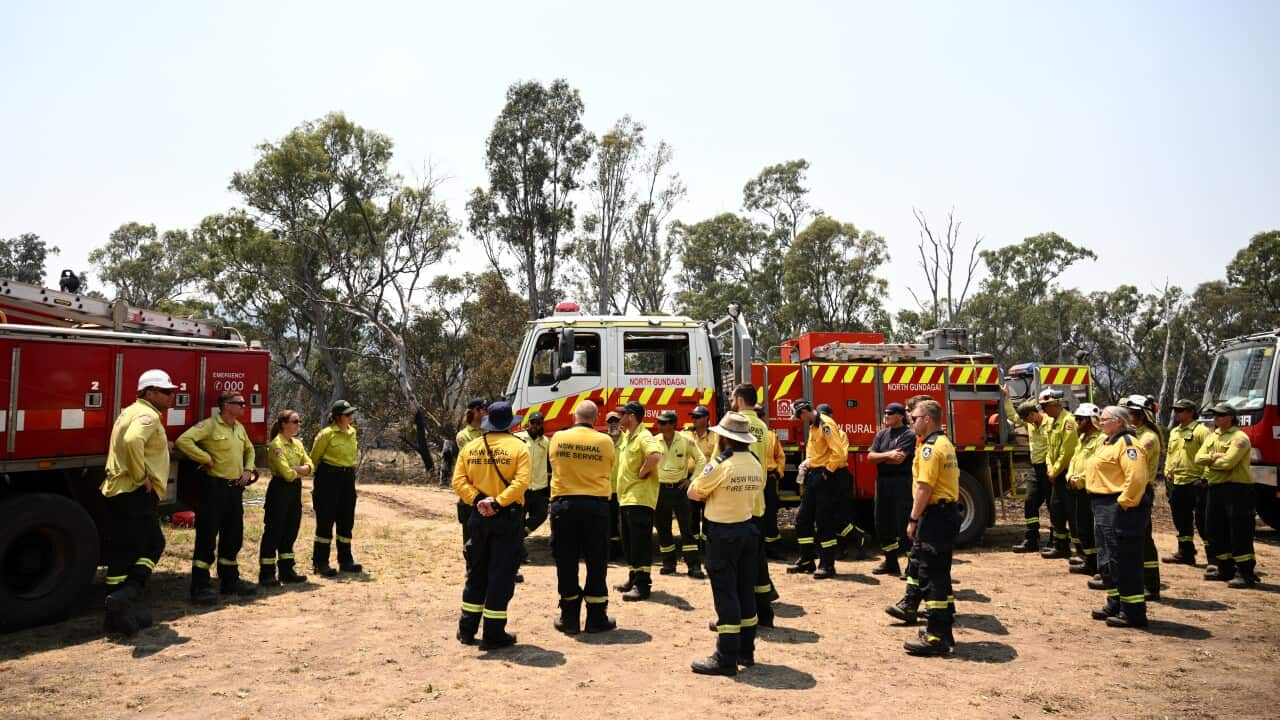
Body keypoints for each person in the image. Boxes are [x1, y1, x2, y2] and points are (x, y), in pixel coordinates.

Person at [687, 412, 766, 676]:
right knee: (745, 592)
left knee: (726, 595)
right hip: (747, 530)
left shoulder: (722, 463)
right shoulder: (754, 462)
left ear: (724, 438)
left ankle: (726, 658)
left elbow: (693, 492)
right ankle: (746, 651)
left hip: (723, 534)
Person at [100, 369, 176, 635]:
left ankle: (115, 615)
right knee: (154, 544)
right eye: (166, 392)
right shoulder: (148, 415)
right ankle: (126, 596)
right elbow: (133, 440)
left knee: (123, 552)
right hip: (135, 492)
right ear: (150, 393)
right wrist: (142, 476)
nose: (171, 396)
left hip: (119, 491)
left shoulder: (128, 411)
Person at [452, 401, 531, 650]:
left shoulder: (471, 447)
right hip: (507, 517)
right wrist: (497, 503)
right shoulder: (519, 448)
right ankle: (493, 634)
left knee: (477, 572)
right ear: (510, 424)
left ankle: (467, 629)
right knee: (501, 575)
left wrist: (478, 500)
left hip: (478, 517)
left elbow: (458, 481)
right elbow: (521, 483)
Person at [177, 390, 258, 604]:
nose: (243, 406)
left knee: (233, 535)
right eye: (239, 403)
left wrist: (248, 469)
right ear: (226, 405)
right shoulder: (209, 425)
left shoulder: (239, 427)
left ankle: (230, 581)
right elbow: (184, 441)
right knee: (207, 535)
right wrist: (205, 458)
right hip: (214, 489)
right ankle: (200, 587)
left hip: (234, 490)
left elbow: (250, 450)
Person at [897, 398, 961, 656]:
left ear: (927, 419)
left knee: (930, 574)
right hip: (945, 514)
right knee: (939, 573)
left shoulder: (930, 448)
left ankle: (935, 637)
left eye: (914, 418)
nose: (911, 422)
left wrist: (913, 519)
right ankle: (944, 631)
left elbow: (925, 487)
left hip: (935, 516)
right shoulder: (944, 443)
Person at [549, 400, 618, 634]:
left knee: (566, 561)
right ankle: (596, 618)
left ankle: (569, 619)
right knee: (597, 561)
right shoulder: (605, 441)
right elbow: (609, 467)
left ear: (573, 417)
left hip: (564, 506)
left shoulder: (558, 438)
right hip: (595, 507)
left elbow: (554, 465)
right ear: (596, 419)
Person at [1086, 406, 1150, 628]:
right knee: (1107, 559)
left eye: (1104, 419)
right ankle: (1115, 603)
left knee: (1124, 559)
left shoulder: (1128, 444)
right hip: (1101, 505)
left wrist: (1123, 504)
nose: (1100, 422)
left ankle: (1133, 612)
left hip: (1119, 506)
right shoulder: (1107, 443)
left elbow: (1137, 478)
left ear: (1119, 422)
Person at [1196, 402, 1258, 588]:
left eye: (1221, 415)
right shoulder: (1212, 436)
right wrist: (1213, 458)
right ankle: (1225, 568)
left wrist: (1211, 461)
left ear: (1231, 417)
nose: (1216, 418)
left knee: (1239, 532)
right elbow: (1198, 458)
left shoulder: (1240, 438)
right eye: (1215, 415)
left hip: (1237, 490)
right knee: (1215, 529)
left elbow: (1228, 463)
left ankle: (1245, 573)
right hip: (1216, 488)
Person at [787, 399, 848, 578]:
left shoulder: (825, 425)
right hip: (814, 475)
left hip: (824, 477)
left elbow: (839, 453)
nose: (799, 420)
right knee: (802, 519)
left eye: (799, 416)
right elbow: (818, 452)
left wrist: (827, 472)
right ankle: (806, 560)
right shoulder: (814, 426)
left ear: (804, 412)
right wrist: (808, 463)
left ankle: (827, 565)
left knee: (824, 522)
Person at [734, 387, 780, 623]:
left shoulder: (735, 424)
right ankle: (765, 610)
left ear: (740, 400)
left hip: (738, 503)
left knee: (739, 564)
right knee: (758, 559)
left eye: (733, 397)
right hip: (757, 500)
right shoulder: (762, 427)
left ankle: (743, 613)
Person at [613, 401, 663, 601]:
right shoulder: (628, 437)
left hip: (639, 499)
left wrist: (643, 471)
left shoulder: (644, 436)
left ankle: (642, 585)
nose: (620, 417)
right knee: (629, 543)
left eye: (623, 414)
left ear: (632, 416)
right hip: (627, 498)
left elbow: (655, 456)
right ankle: (633, 577)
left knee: (640, 543)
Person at [259, 409, 313, 587]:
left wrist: (297, 469)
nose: (299, 425)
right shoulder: (276, 445)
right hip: (279, 489)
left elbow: (310, 465)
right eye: (295, 421)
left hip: (294, 490)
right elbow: (286, 473)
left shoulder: (297, 444)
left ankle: (287, 570)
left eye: (299, 421)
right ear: (284, 424)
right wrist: (299, 470)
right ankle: (267, 573)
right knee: (274, 531)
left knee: (291, 530)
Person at [311, 400, 363, 577]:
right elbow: (314, 458)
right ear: (338, 417)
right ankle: (321, 562)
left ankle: (346, 560)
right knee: (326, 520)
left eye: (351, 414)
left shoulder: (352, 432)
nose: (351, 417)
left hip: (347, 477)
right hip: (329, 477)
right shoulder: (326, 434)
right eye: (347, 414)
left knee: (346, 519)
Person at [653, 409, 706, 578]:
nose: (659, 425)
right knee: (663, 529)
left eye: (663, 423)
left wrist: (692, 480)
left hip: (679, 490)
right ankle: (668, 564)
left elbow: (701, 460)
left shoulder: (685, 440)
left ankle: (694, 565)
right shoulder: (654, 441)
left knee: (687, 529)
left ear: (672, 424)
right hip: (660, 490)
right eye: (659, 422)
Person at [867, 402, 915, 576]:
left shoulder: (909, 434)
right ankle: (890, 561)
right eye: (885, 412)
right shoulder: (882, 434)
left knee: (903, 523)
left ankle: (912, 565)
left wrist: (881, 457)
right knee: (882, 523)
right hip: (882, 482)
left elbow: (899, 459)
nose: (886, 416)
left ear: (900, 416)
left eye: (890, 413)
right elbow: (870, 457)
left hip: (901, 482)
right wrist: (888, 454)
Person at [1121, 395, 1163, 599]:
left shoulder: (1148, 438)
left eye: (1131, 414)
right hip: (1131, 488)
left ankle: (1151, 585)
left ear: (1141, 415)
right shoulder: (1135, 434)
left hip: (1141, 490)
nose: (1128, 416)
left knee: (1143, 540)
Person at [1162, 399, 1210, 565]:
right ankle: (1185, 552)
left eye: (1180, 410)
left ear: (1191, 412)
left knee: (1203, 521)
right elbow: (1170, 454)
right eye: (1175, 410)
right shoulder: (1174, 432)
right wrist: (1167, 471)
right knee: (1181, 520)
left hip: (1196, 483)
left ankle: (1214, 558)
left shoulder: (1201, 431)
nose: (1176, 413)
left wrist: (1205, 478)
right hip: (1176, 482)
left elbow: (1209, 455)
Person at [1007, 388, 1052, 553]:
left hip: (1050, 469)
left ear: (1033, 413)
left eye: (1028, 419)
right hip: (1036, 468)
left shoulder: (1051, 423)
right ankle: (1031, 539)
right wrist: (1006, 398)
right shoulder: (1029, 423)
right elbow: (1013, 417)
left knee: (1053, 506)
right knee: (1030, 501)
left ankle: (1056, 540)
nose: (1027, 423)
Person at [1065, 403, 1103, 576]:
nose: (1077, 422)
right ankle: (1090, 561)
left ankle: (1098, 564)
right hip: (1078, 488)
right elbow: (1074, 460)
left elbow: (1097, 466)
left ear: (1091, 420)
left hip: (1091, 489)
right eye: (1076, 418)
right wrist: (1070, 476)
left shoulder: (1101, 440)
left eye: (1080, 419)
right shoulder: (1082, 439)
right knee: (1083, 527)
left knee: (1093, 528)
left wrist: (1079, 480)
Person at [1040, 391, 1079, 560]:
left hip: (1067, 473)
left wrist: (1054, 471)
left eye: (1045, 406)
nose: (1043, 410)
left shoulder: (1069, 422)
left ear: (1054, 404)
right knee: (1056, 510)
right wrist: (1050, 468)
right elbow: (1049, 449)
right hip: (1055, 474)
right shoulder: (1050, 422)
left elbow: (1067, 451)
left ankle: (1081, 550)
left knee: (1072, 512)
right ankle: (1061, 546)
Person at [516, 411, 551, 582]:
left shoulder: (546, 442)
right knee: (518, 519)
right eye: (533, 423)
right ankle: (519, 553)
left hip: (539, 487)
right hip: (522, 487)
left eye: (539, 423)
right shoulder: (519, 439)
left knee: (541, 515)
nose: (536, 426)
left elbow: (550, 464)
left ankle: (518, 536)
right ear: (528, 423)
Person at [455, 399, 488, 558]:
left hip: (488, 488)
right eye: (484, 409)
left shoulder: (489, 430)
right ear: (476, 411)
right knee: (470, 537)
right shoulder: (463, 436)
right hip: (470, 492)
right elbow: (474, 458)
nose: (487, 412)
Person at [685, 405, 716, 551]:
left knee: (708, 513)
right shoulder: (686, 434)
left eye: (697, 417)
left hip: (708, 479)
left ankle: (706, 544)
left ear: (706, 418)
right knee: (692, 514)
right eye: (693, 417)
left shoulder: (715, 436)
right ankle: (695, 544)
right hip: (691, 479)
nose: (694, 420)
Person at [606, 410, 625, 559]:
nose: (613, 424)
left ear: (620, 423)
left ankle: (626, 550)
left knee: (625, 521)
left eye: (616, 421)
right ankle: (613, 551)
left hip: (625, 489)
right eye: (610, 421)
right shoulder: (602, 442)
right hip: (607, 489)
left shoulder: (628, 440)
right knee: (610, 521)